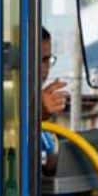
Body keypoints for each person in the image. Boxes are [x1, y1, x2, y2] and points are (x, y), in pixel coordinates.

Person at [39, 27, 69, 176]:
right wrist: (36, 111)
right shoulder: (7, 106)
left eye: (47, 60)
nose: (45, 68)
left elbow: (50, 162)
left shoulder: (46, 131)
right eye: (40, 60)